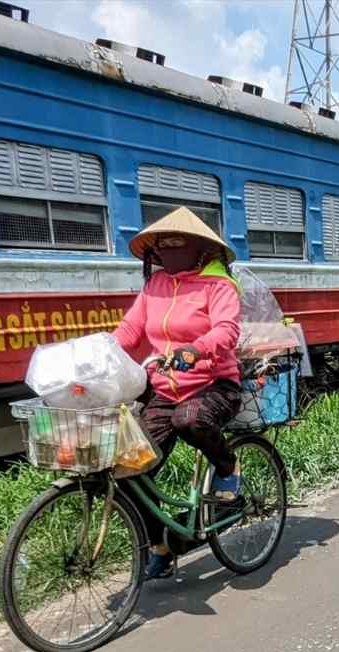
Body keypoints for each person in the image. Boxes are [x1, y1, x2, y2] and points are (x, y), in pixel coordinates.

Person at [114, 206, 242, 581]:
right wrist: (96, 356)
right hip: (164, 389)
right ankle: (162, 546)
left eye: (177, 244)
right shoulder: (153, 287)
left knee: (190, 419)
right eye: (163, 245)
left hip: (214, 385)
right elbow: (129, 331)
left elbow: (227, 331)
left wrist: (196, 350)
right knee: (129, 467)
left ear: (199, 248)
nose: (169, 251)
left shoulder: (219, 286)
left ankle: (228, 467)